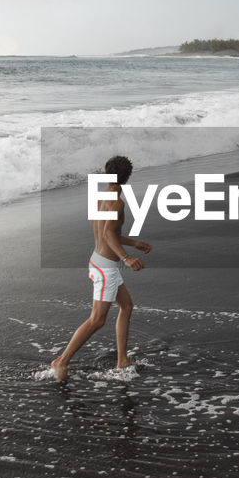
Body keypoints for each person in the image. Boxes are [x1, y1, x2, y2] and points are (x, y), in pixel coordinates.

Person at [50, 155, 152, 380]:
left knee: (126, 306)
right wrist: (126, 258)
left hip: (99, 260)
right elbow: (108, 233)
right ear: (127, 177)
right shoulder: (117, 202)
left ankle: (122, 359)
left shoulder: (100, 197)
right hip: (106, 267)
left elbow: (106, 232)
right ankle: (61, 361)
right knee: (97, 319)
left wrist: (134, 242)